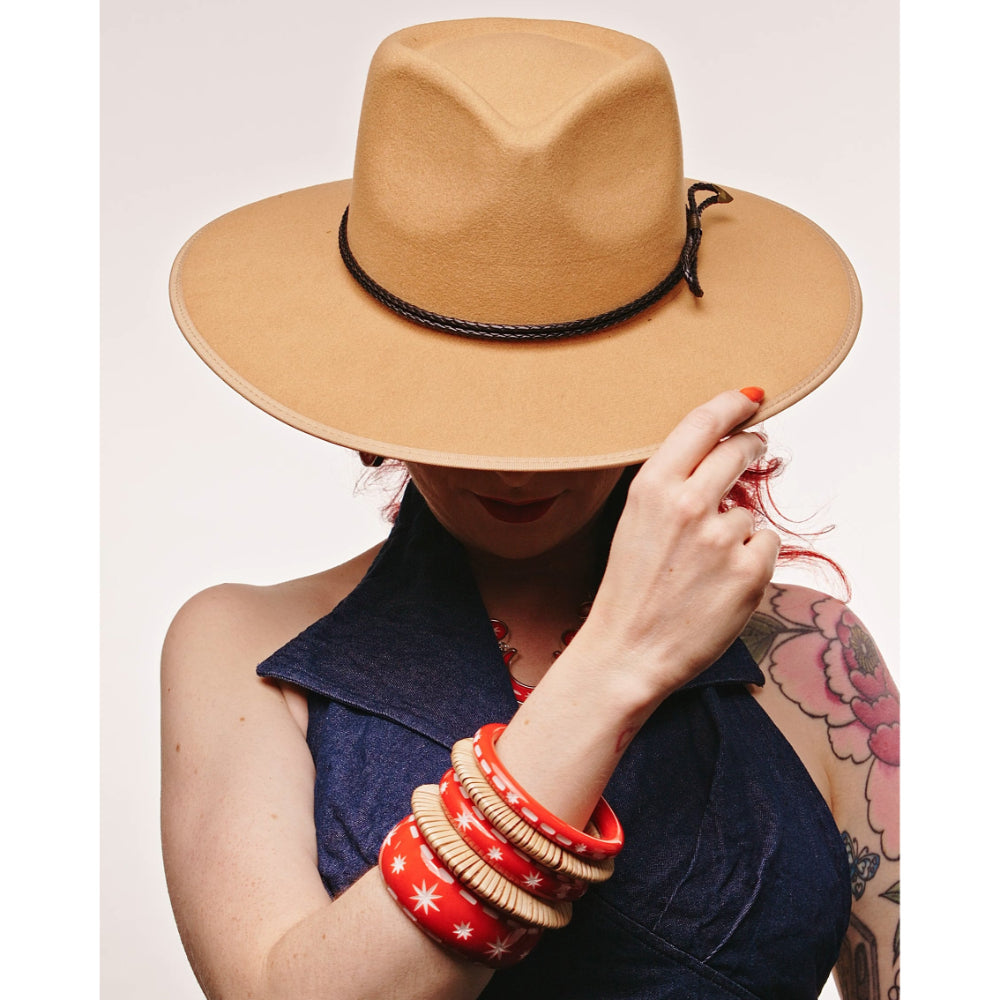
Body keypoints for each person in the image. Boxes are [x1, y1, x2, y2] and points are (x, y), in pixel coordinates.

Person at [161, 18, 899, 1000]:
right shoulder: (243, 647)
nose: (514, 469)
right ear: (365, 397)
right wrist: (616, 662)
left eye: (575, 399)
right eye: (457, 401)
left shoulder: (815, 660)